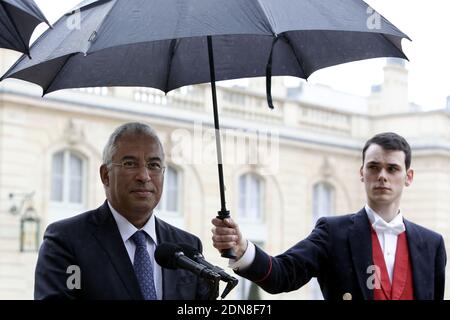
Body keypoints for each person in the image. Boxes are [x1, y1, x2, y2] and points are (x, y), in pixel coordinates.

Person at [212, 132, 446, 300]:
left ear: (409, 176)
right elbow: (283, 274)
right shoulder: (333, 233)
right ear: (362, 173)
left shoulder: (432, 244)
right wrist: (242, 248)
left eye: (392, 168)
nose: (382, 175)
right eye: (374, 167)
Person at [35, 122, 211, 300]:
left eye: (154, 165)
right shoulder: (66, 240)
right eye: (130, 164)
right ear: (105, 175)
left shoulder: (188, 247)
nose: (144, 176)